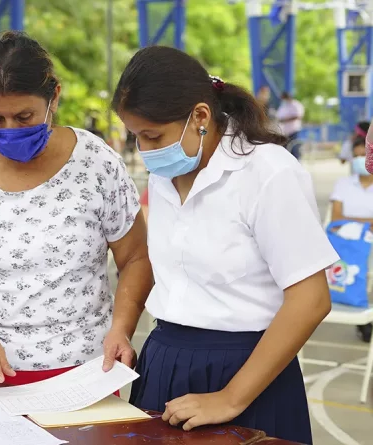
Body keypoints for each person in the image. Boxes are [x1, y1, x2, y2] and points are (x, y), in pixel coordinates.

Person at [112, 46, 337, 444]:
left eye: (152, 136)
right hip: (164, 361)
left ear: (200, 116)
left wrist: (231, 398)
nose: (145, 151)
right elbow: (155, 262)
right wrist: (121, 327)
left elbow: (311, 297)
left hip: (248, 371)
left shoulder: (266, 172)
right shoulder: (167, 174)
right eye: (136, 137)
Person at [0, 31, 153, 398]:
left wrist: (122, 328)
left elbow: (135, 258)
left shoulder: (97, 164)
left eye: (24, 116)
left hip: (87, 370)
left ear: (53, 96)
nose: (10, 130)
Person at [330, 136, 373, 343]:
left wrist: (353, 221)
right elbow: (336, 219)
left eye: (364, 155)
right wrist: (368, 222)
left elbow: (342, 219)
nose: (359, 160)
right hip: (349, 244)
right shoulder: (343, 184)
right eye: (356, 156)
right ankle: (364, 322)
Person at [275, 91, 305, 159]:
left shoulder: (296, 105)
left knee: (294, 149)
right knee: (286, 150)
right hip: (284, 132)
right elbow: (279, 116)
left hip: (293, 130)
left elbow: (298, 116)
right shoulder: (283, 106)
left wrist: (285, 120)